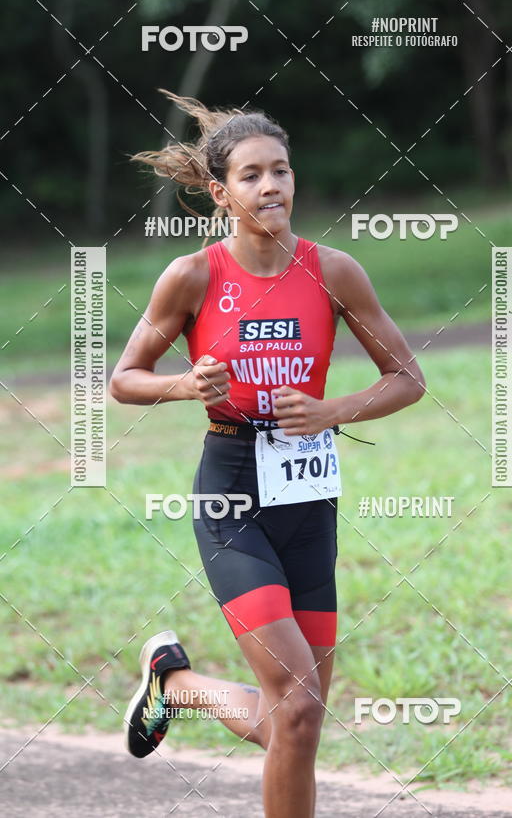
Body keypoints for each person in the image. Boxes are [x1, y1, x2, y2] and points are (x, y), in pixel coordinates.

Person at [109, 90, 426, 818]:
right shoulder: (192, 276)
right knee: (298, 703)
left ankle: (176, 687)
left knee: (299, 720)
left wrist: (330, 411)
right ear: (221, 193)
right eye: (250, 175)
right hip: (232, 495)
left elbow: (408, 378)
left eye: (280, 170)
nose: (271, 185)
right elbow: (124, 380)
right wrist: (185, 384)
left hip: (309, 498)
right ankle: (175, 686)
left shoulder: (334, 271)